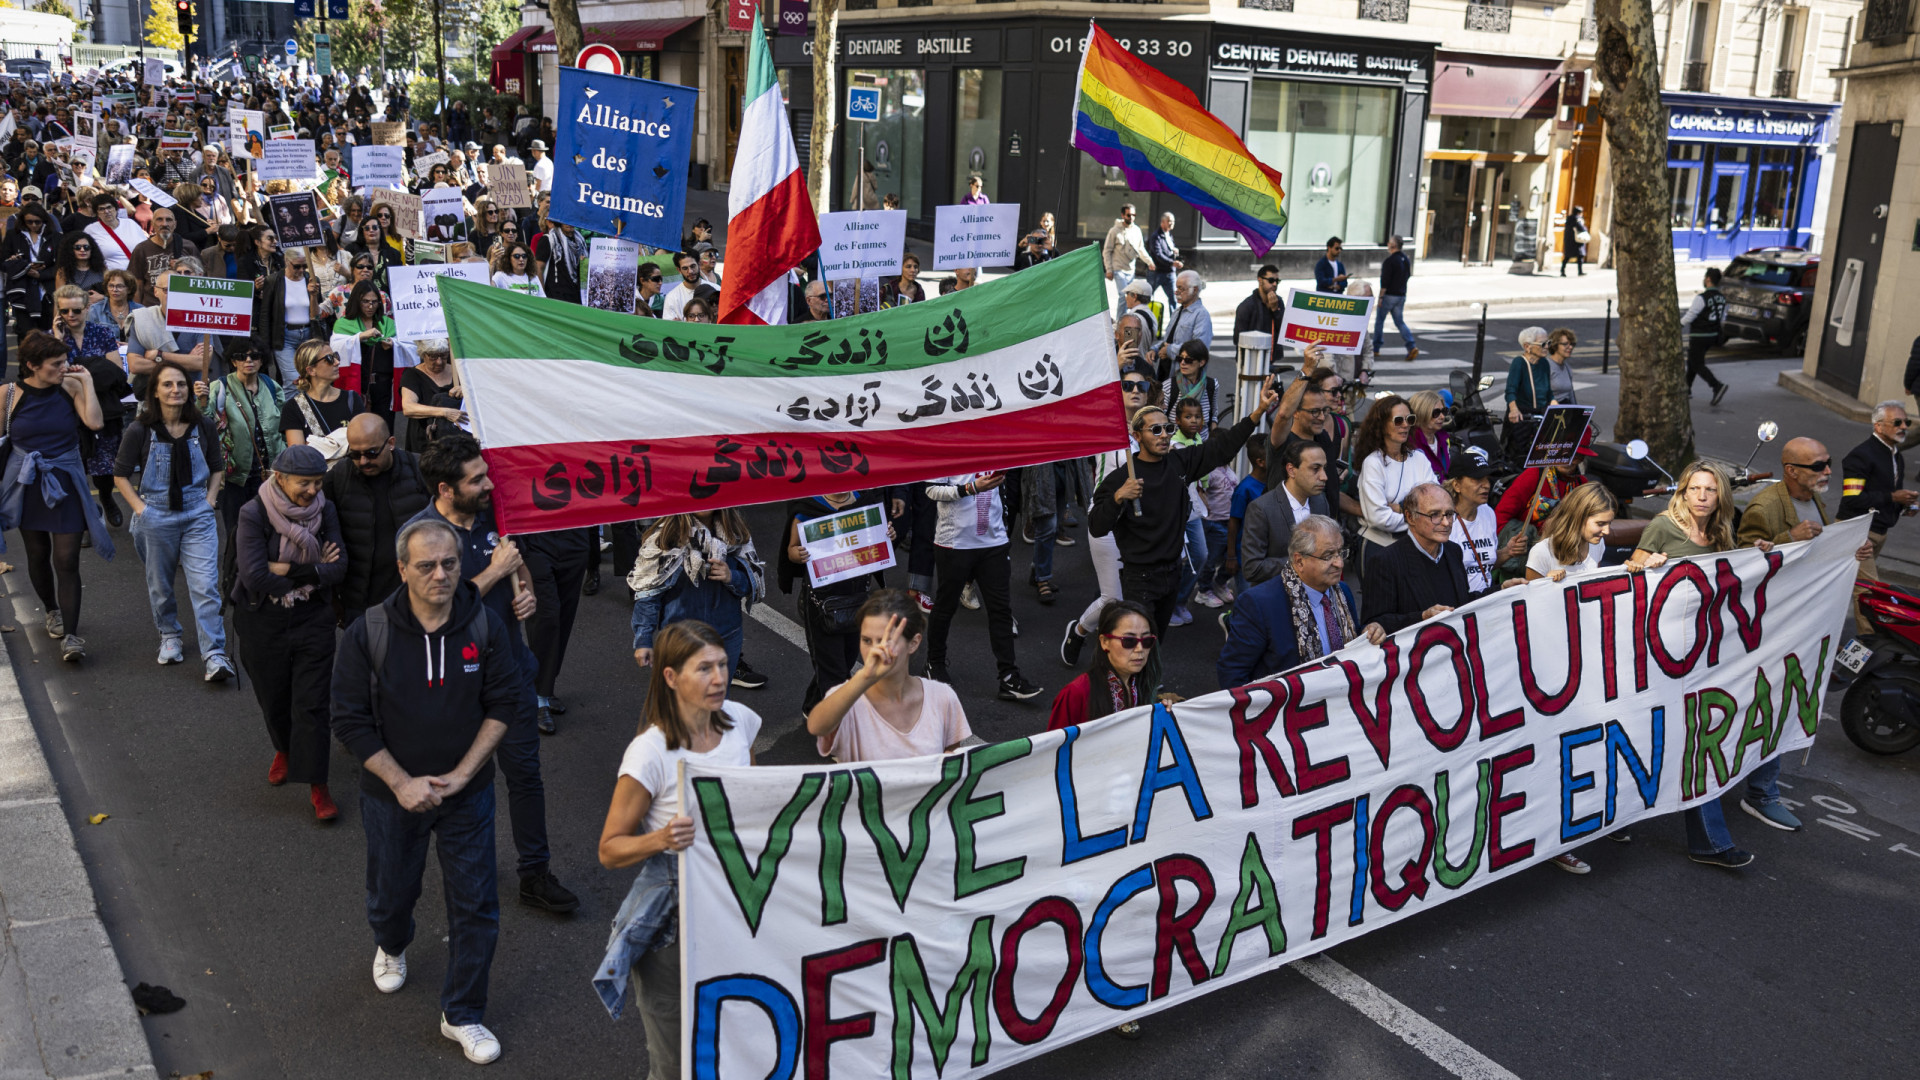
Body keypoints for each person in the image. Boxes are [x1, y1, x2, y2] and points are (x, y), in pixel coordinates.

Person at [330, 517, 520, 1066]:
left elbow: (505, 701)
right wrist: (401, 782)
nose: (441, 575)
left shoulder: (483, 624)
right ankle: (392, 943)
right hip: (392, 796)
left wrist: (462, 774)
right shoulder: (368, 631)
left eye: (451, 563)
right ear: (402, 569)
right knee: (391, 895)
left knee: (477, 904)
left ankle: (462, 1013)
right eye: (427, 565)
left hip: (469, 795)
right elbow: (349, 719)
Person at [411, 433, 578, 908]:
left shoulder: (494, 514)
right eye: (476, 478)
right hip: (456, 688)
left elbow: (514, 558)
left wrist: (521, 585)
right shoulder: (422, 536)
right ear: (446, 489)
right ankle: (465, 873)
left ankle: (535, 874)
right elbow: (434, 610)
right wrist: (493, 572)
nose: (488, 483)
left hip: (510, 675)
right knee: (462, 786)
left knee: (525, 775)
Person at [596, 620, 761, 1080]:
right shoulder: (649, 754)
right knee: (675, 1062)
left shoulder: (741, 724)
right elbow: (609, 850)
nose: (720, 678)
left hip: (739, 915)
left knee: (737, 1046)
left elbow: (757, 800)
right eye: (704, 668)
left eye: (723, 665)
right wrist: (661, 839)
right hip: (674, 929)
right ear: (670, 677)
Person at [1625, 461, 1776, 869]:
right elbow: (1629, 577)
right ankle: (1701, 838)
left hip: (1707, 651)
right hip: (1665, 652)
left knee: (1702, 735)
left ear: (1721, 495)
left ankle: (1720, 828)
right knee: (1687, 737)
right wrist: (1647, 565)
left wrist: (1755, 554)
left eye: (1710, 489)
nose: (1702, 496)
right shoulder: (1663, 526)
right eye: (1695, 489)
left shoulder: (1722, 531)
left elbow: (1729, 580)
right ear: (1683, 492)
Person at [1089, 376, 1289, 635]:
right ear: (1137, 435)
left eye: (1168, 428)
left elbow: (1222, 448)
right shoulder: (1120, 478)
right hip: (1139, 578)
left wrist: (1258, 412)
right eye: (1156, 430)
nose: (1165, 436)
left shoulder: (1179, 463)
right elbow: (1096, 526)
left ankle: (1151, 677)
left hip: (1172, 573)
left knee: (1157, 638)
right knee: (1139, 639)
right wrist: (1118, 498)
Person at [232, 444, 344, 821]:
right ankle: (284, 748)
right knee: (274, 697)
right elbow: (253, 576)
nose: (312, 491)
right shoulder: (253, 512)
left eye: (317, 482)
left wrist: (289, 571)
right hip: (263, 619)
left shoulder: (325, 509)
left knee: (311, 704)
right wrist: (313, 569)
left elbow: (338, 566)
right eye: (304, 483)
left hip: (314, 616)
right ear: (279, 478)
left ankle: (318, 784)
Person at [113, 360, 231, 679]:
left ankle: (215, 653)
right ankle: (169, 635)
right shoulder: (139, 429)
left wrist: (209, 501)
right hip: (155, 516)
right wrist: (141, 510)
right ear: (154, 391)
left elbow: (217, 466)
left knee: (205, 585)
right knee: (161, 585)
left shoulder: (203, 425)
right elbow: (121, 476)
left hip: (197, 515)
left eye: (180, 384)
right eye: (167, 384)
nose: (175, 390)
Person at [0, 331, 111, 663]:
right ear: (32, 365)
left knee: (67, 560)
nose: (65, 367)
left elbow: (94, 422)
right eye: (57, 363)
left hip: (67, 482)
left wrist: (87, 383)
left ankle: (72, 637)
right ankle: (51, 610)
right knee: (37, 554)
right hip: (26, 483)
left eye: (65, 362)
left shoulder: (71, 386)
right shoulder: (8, 395)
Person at [1061, 366, 1156, 667]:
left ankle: (1128, 659)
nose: (1135, 390)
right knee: (1112, 598)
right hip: (1107, 519)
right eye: (1127, 385)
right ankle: (1078, 630)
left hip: (1142, 524)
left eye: (1141, 385)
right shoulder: (1105, 424)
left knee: (1139, 595)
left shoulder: (1157, 428)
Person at [1219, 516, 1383, 688]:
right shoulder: (1258, 604)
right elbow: (1232, 674)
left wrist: (1368, 632)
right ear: (1299, 561)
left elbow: (1350, 640)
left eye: (1341, 553)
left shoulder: (1343, 592)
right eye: (1328, 556)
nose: (1339, 563)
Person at [923, 468, 1044, 701]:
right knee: (945, 607)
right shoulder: (948, 445)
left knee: (1001, 610)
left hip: (993, 541)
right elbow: (931, 490)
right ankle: (934, 663)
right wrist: (971, 488)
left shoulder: (994, 444)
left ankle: (1009, 676)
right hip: (954, 543)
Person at [807, 590, 971, 760]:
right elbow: (816, 726)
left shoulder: (942, 697)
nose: (875, 651)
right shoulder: (847, 699)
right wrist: (864, 677)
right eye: (866, 640)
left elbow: (952, 764)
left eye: (885, 641)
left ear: (913, 643)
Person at [781, 489, 889, 715]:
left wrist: (887, 534)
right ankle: (838, 734)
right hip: (822, 603)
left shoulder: (865, 502)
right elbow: (790, 550)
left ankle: (812, 707)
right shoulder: (808, 506)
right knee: (834, 671)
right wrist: (797, 554)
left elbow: (876, 544)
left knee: (844, 659)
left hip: (857, 598)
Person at [630, 511, 766, 682]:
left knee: (718, 702)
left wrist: (732, 576)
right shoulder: (664, 537)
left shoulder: (736, 534)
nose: (703, 494)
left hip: (727, 635)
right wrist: (643, 640)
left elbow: (750, 586)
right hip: (680, 639)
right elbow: (648, 594)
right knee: (682, 703)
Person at [325, 413, 432, 619]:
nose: (364, 461)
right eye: (355, 454)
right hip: (360, 602)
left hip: (416, 598)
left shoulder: (420, 470)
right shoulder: (340, 477)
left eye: (372, 452)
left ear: (391, 443)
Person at [1362, 482, 1501, 634]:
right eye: (1434, 515)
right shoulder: (1385, 561)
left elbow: (1463, 602)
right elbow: (1374, 624)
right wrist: (1422, 617)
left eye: (1449, 514)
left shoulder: (1454, 551)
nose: (1446, 522)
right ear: (1410, 517)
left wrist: (1502, 590)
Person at [52, 284, 135, 528]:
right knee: (73, 468)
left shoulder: (102, 332)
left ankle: (107, 498)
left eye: (76, 310)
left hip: (103, 410)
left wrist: (77, 372)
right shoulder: (51, 338)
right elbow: (55, 378)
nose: (70, 316)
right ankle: (85, 519)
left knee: (105, 466)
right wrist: (59, 341)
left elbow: (116, 374)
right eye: (64, 311)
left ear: (87, 309)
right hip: (66, 414)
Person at [1048, 600, 1162, 731]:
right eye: (1129, 640)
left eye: (1147, 640)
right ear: (1104, 642)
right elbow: (1055, 745)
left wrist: (1163, 715)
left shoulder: (1141, 683)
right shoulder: (1076, 693)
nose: (1139, 649)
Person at [1355, 394, 1439, 569]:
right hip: (1379, 547)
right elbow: (1379, 517)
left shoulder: (1419, 458)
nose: (1406, 425)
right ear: (1382, 425)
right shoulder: (1373, 463)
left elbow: (1435, 502)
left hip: (1415, 546)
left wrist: (1400, 507)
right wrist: (1421, 520)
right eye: (1398, 420)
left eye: (1410, 419)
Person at [1240, 439, 1332, 587]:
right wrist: (1303, 562)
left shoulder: (1320, 502)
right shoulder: (1261, 508)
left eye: (1324, 468)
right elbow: (1252, 568)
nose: (1324, 476)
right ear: (1291, 470)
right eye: (1315, 469)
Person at [1446, 449, 1523, 594]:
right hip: (1458, 604)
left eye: (1487, 479)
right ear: (1457, 485)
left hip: (1486, 600)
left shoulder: (1487, 512)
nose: (1486, 485)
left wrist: (1508, 552)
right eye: (1477, 479)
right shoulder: (1444, 519)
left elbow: (1483, 565)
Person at [281, 338, 364, 452]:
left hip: (350, 469)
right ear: (311, 370)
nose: (337, 362)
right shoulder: (293, 407)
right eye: (329, 359)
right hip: (317, 470)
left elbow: (364, 442)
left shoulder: (351, 399)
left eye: (336, 356)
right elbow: (298, 457)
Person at [1525, 482, 1617, 581]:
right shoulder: (1541, 552)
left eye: (1609, 523)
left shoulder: (1598, 544)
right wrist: (1547, 582)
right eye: (1600, 524)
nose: (1607, 531)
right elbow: (1533, 594)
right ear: (1578, 518)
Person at [335, 280, 397, 426]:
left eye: (374, 302)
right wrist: (361, 337)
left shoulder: (388, 323)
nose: (370, 306)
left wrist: (393, 344)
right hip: (356, 384)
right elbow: (336, 347)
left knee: (384, 426)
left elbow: (407, 347)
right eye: (365, 301)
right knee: (359, 427)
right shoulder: (343, 324)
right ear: (357, 301)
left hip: (383, 387)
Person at [399, 339, 464, 454]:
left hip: (456, 437)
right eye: (433, 357)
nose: (439, 362)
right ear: (423, 354)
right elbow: (408, 407)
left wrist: (466, 391)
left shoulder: (459, 372)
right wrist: (445, 412)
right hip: (424, 438)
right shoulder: (412, 375)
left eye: (443, 356)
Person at [1503, 326, 1556, 458]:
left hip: (1541, 413)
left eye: (1548, 343)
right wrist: (1513, 409)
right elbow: (1511, 390)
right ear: (1527, 346)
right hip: (1523, 414)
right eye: (1543, 344)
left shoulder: (1544, 363)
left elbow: (1548, 391)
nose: (1547, 347)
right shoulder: (1519, 363)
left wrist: (1554, 403)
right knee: (1517, 454)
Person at [3, 203, 58, 331]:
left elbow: (61, 265)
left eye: (37, 222)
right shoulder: (13, 235)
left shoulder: (55, 237)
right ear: (23, 221)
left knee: (47, 332)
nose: (33, 225)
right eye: (29, 222)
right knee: (25, 333)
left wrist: (41, 274)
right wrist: (16, 263)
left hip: (47, 291)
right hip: (23, 290)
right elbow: (3, 262)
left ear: (44, 220)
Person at [1680, 267, 1729, 405]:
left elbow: (1691, 315)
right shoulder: (1722, 298)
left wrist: (1679, 325)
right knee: (1692, 361)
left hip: (1699, 335)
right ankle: (1686, 388)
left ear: (1708, 279)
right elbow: (1722, 317)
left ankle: (1716, 386)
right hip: (1713, 334)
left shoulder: (1702, 298)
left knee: (1696, 363)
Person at [1154, 271, 1213, 381]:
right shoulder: (1177, 311)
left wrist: (1170, 350)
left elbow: (1199, 348)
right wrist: (1155, 350)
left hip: (1183, 379)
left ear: (1194, 290)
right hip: (1165, 374)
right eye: (1177, 288)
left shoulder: (1201, 315)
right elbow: (1168, 340)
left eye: (1181, 289)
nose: (1177, 292)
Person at [128, 205, 193, 303]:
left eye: (169, 220)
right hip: (151, 308)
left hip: (181, 306)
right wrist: (138, 310)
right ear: (153, 224)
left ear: (175, 224)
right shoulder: (141, 249)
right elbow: (137, 284)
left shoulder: (188, 246)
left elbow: (200, 279)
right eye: (159, 220)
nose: (164, 224)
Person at [1161, 339, 1222, 430]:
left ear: (1201, 362)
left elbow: (1213, 415)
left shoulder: (1212, 385)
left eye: (1188, 360)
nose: (1182, 363)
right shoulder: (1168, 386)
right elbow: (1161, 417)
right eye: (1180, 358)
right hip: (1175, 441)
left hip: (1203, 441)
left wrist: (1213, 435)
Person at [1373, 235, 1417, 361]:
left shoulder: (1390, 261)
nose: (1387, 244)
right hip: (1401, 295)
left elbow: (1384, 281)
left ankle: (1376, 348)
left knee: (1380, 321)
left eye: (1389, 242)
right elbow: (1408, 275)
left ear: (1393, 245)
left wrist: (1381, 297)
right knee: (1399, 322)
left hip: (1389, 295)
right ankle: (1411, 345)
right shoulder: (1405, 259)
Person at [1101, 203, 1148, 318]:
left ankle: (1127, 320)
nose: (1131, 217)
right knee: (1123, 296)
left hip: (1131, 269)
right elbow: (1107, 251)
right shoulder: (1114, 231)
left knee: (1131, 296)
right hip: (1118, 269)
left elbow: (1141, 248)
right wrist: (1109, 270)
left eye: (1133, 215)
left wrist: (1150, 262)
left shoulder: (1137, 230)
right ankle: (1120, 322)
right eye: (1128, 215)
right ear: (1123, 215)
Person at [83, 191, 147, 272]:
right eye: (101, 209)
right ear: (97, 213)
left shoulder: (130, 223)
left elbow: (145, 247)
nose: (106, 211)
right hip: (114, 278)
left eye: (109, 207)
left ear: (116, 209)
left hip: (140, 273)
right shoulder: (90, 230)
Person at [533, 219, 582, 304]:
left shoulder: (580, 241)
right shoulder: (548, 239)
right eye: (565, 219)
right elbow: (538, 268)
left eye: (571, 218)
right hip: (555, 295)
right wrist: (542, 295)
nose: (569, 222)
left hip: (576, 295)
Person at [86, 269, 142, 342]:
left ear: (129, 289)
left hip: (133, 352)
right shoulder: (95, 310)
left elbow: (146, 341)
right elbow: (89, 339)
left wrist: (130, 346)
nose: (114, 289)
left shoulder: (140, 310)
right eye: (111, 286)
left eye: (119, 286)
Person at [53, 231, 105, 298]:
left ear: (92, 249)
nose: (82, 250)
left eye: (86, 247)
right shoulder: (63, 271)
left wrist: (102, 297)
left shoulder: (101, 268)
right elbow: (58, 299)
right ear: (71, 250)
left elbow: (111, 294)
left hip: (98, 306)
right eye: (78, 247)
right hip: (73, 307)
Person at [1146, 211, 1180, 310]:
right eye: (1169, 221)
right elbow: (1158, 255)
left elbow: (1168, 250)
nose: (1172, 223)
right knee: (1147, 297)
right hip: (1157, 272)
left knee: (1173, 298)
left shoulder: (1169, 235)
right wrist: (1172, 262)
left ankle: (1174, 323)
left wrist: (1174, 251)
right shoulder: (1155, 236)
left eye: (1173, 221)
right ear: (1162, 222)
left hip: (1169, 273)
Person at [660, 251, 701, 321]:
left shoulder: (716, 289)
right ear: (679, 270)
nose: (690, 271)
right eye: (685, 268)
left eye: (693, 266)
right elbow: (670, 327)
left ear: (699, 264)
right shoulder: (671, 297)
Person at [1561, 206, 1587, 276]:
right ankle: (1580, 271)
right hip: (1576, 241)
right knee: (1580, 256)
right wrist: (1585, 229)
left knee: (1567, 256)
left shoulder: (1569, 218)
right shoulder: (1577, 219)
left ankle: (1562, 270)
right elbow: (1581, 228)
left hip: (1569, 239)